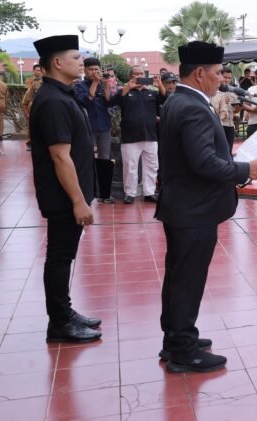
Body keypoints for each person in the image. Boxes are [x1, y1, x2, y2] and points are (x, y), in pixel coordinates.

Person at [156, 41, 257, 372]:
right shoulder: (192, 106)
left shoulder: (180, 100)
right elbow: (203, 163)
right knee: (187, 279)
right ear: (199, 73)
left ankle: (177, 337)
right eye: (219, 73)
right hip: (193, 209)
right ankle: (183, 350)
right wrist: (245, 169)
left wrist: (233, 162)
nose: (222, 78)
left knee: (180, 277)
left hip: (185, 206)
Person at [29, 35, 101, 342]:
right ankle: (59, 322)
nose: (81, 61)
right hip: (63, 196)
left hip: (70, 193)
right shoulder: (53, 100)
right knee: (59, 258)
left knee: (64, 256)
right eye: (75, 56)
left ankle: (65, 312)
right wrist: (78, 201)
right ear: (57, 63)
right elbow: (60, 157)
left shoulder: (63, 94)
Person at [112, 65, 167, 204]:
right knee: (130, 166)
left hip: (150, 135)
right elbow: (115, 102)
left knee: (152, 165)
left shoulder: (151, 93)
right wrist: (128, 87)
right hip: (130, 137)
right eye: (135, 73)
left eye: (141, 73)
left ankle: (149, 192)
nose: (138, 76)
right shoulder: (124, 92)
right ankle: (129, 193)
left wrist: (159, 84)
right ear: (131, 76)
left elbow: (165, 98)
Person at [75, 58, 116, 203]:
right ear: (84, 70)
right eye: (91, 69)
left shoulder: (102, 84)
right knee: (86, 159)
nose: (94, 72)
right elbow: (86, 101)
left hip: (104, 126)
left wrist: (105, 86)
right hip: (88, 127)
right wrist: (96, 83)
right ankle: (86, 192)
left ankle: (105, 194)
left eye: (96, 69)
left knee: (104, 159)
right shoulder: (79, 86)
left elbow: (109, 102)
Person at [22, 65, 44, 151]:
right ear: (33, 70)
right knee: (30, 127)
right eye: (37, 70)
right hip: (31, 103)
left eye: (40, 70)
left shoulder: (44, 81)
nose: (39, 72)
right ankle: (29, 142)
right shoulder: (30, 81)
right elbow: (28, 92)